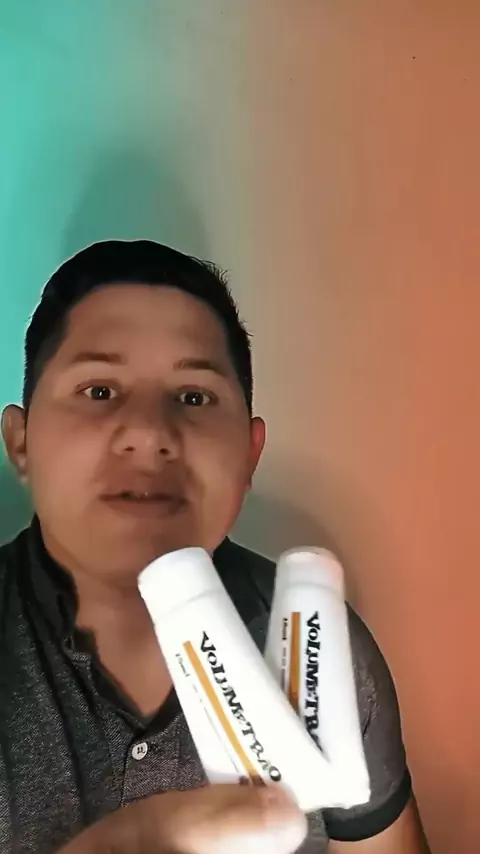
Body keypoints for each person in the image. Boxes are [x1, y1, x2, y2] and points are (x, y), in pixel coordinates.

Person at [0, 240, 430, 854]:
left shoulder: (324, 643)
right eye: (99, 390)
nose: (149, 433)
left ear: (249, 454)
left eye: (193, 397)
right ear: (20, 441)